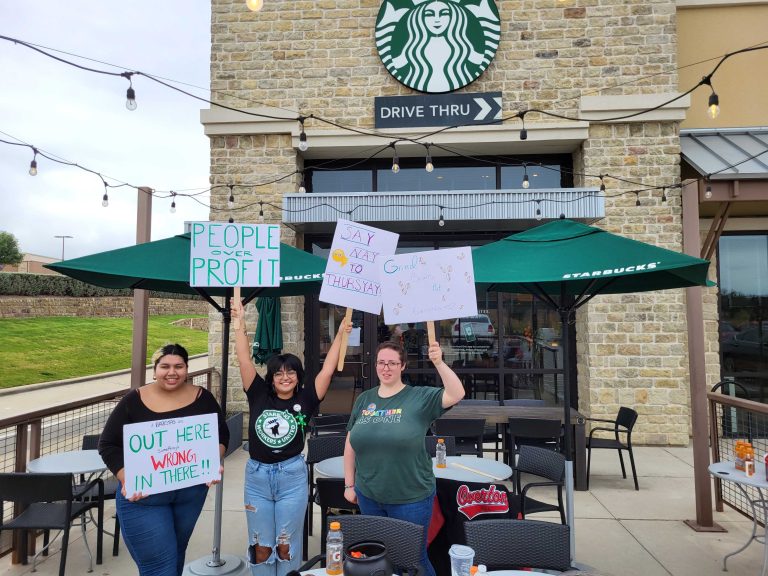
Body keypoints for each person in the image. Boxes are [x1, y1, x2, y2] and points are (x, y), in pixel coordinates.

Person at [232, 298, 351, 576]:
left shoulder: (307, 397)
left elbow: (327, 369)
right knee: (260, 546)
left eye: (291, 372)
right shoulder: (258, 392)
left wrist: (340, 335)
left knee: (286, 545)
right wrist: (239, 325)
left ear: (298, 377)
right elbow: (243, 359)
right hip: (257, 478)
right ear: (271, 377)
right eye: (278, 373)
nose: (285, 377)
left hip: (292, 477)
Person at [98, 343, 229, 576]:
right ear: (155, 369)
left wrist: (212, 461)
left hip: (190, 493)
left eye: (179, 366)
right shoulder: (133, 401)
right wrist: (126, 477)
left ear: (187, 368)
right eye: (165, 366)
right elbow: (108, 445)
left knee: (177, 557)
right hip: (145, 497)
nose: (172, 372)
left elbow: (221, 435)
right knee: (160, 569)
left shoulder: (203, 398)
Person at [343, 338, 465, 576]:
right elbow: (350, 444)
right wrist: (349, 484)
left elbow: (457, 393)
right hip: (369, 495)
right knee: (379, 558)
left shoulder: (419, 398)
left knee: (411, 560)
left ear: (402, 366)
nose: (385, 368)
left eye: (391, 363)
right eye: (381, 363)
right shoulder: (364, 399)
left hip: (411, 498)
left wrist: (439, 362)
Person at [391, 0, 485, 92]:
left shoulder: (462, 46)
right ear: (420, 18)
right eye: (429, 14)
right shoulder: (413, 48)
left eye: (444, 13)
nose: (437, 19)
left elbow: (479, 60)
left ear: (453, 17)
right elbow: (397, 64)